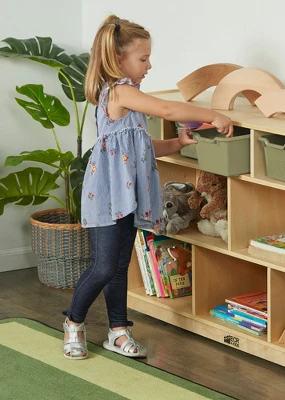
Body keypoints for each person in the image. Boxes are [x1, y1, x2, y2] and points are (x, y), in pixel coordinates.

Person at [62, 14, 233, 360]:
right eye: (143, 58)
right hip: (108, 195)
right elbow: (167, 108)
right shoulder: (119, 92)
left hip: (127, 194)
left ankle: (118, 331)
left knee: (119, 267)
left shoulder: (130, 97)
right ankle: (73, 322)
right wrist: (213, 116)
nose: (149, 65)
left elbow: (138, 147)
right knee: (104, 266)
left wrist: (177, 144)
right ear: (118, 59)